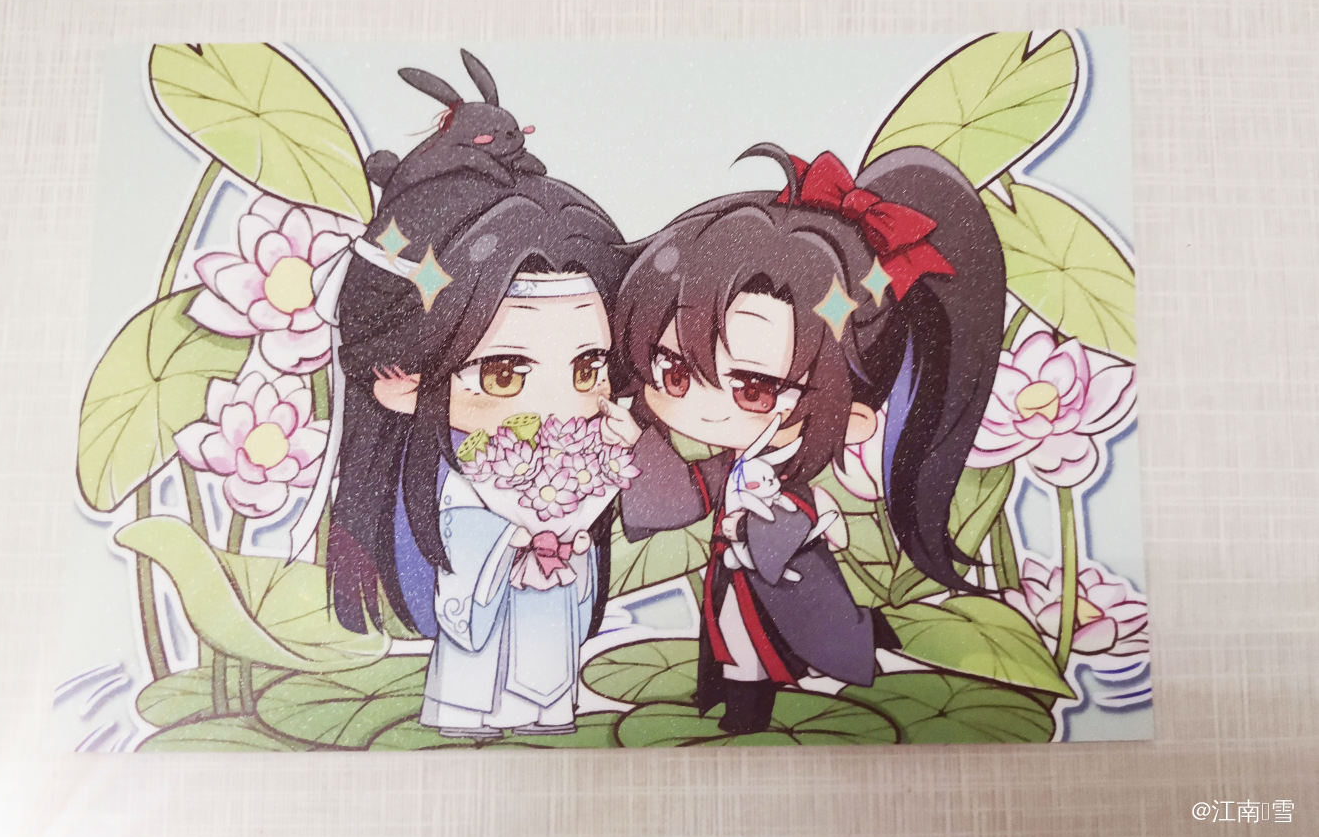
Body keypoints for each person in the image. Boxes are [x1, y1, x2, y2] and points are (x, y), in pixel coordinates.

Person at [603, 144, 1006, 733]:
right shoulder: (734, 468)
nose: (704, 407)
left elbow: (791, 526)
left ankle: (820, 666)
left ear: (853, 418)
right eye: (676, 371)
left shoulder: (786, 486)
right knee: (736, 641)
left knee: (773, 643)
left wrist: (753, 531)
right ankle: (743, 706)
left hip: (786, 585)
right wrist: (637, 439)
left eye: (753, 389)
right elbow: (683, 496)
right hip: (740, 579)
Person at [323, 144, 632, 738]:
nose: (557, 405)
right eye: (503, 374)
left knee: (547, 665)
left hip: (549, 585)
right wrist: (517, 537)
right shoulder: (448, 462)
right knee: (475, 679)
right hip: (486, 582)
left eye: (588, 367)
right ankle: (469, 716)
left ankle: (547, 712)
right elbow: (458, 531)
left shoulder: (580, 450)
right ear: (403, 382)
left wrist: (571, 532)